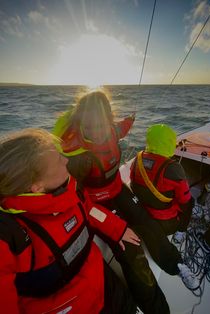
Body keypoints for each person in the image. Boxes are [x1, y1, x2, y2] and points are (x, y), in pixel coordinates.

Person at [53, 90, 197, 313]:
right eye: (92, 125)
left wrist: (130, 119)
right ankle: (157, 309)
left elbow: (121, 128)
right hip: (95, 206)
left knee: (146, 221)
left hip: (117, 189)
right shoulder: (75, 156)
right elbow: (78, 202)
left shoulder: (112, 129)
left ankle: (175, 264)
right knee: (130, 249)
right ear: (81, 122)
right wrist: (116, 228)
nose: (99, 130)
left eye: (103, 122)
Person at [0, 128, 141, 314]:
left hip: (104, 285)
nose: (66, 160)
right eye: (59, 160)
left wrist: (117, 228)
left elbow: (89, 210)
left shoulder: (68, 190)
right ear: (36, 186)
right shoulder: (9, 234)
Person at [130, 123, 194, 238]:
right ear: (170, 143)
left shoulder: (137, 159)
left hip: (143, 215)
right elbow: (184, 200)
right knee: (190, 202)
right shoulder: (173, 168)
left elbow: (133, 183)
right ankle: (180, 232)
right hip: (166, 224)